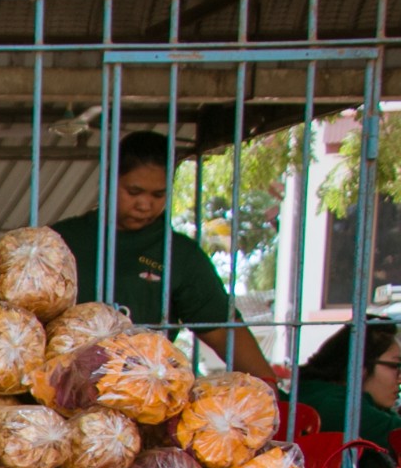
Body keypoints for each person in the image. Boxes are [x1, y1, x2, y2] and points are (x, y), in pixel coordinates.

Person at [52, 131, 277, 381]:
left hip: (143, 394)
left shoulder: (180, 255)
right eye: (134, 192)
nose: (145, 204)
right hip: (59, 391)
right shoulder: (59, 241)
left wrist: (270, 387)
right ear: (108, 181)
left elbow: (223, 331)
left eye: (158, 195)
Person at [294, 318, 401, 443]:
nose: (399, 379)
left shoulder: (315, 392)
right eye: (395, 366)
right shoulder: (335, 406)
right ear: (359, 366)